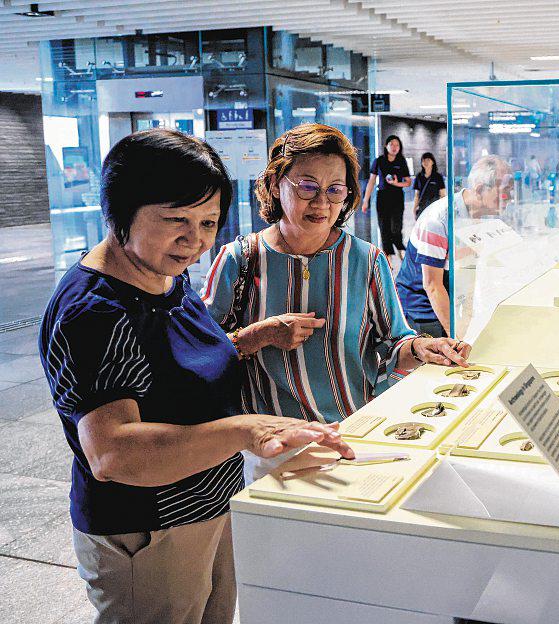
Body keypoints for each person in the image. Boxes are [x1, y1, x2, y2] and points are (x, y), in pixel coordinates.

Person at [39, 129, 352, 624]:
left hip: (208, 503)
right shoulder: (97, 310)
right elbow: (112, 451)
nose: (196, 239)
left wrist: (255, 336)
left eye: (209, 222)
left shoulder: (164, 274)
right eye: (175, 220)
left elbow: (178, 367)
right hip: (151, 528)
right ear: (119, 210)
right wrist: (247, 430)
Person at [203, 124, 469, 441]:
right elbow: (204, 354)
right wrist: (259, 334)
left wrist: (423, 347)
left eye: (335, 189)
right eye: (307, 186)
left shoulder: (366, 259)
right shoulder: (239, 260)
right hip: (272, 446)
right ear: (275, 184)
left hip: (357, 434)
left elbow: (393, 344)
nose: (322, 203)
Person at [395, 155, 512, 338]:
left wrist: (466, 319)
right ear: (480, 189)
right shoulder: (439, 220)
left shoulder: (475, 217)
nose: (510, 198)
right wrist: (454, 335)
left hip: (446, 301)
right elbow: (432, 285)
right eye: (505, 191)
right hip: (423, 310)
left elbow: (468, 268)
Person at [361, 134, 411, 269]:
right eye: (392, 144)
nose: (395, 147)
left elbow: (408, 182)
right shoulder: (379, 161)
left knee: (396, 228)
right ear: (386, 146)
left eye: (397, 145)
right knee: (384, 229)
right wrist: (365, 201)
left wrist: (396, 183)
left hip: (397, 198)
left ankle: (401, 251)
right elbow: (371, 181)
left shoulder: (401, 161)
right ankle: (388, 262)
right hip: (382, 198)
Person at [412, 151, 445, 219]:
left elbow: (442, 194)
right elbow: (417, 194)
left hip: (434, 207)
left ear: (433, 162)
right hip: (422, 207)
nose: (425, 162)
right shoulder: (419, 176)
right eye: (423, 160)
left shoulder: (438, 176)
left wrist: (442, 208)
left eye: (428, 160)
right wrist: (415, 207)